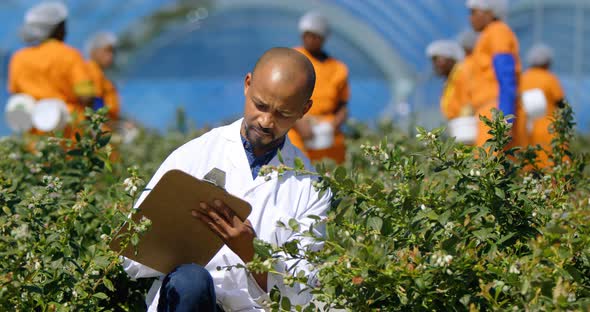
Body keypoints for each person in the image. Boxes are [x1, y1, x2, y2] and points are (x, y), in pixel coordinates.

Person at [123, 47, 331, 311]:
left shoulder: (310, 187)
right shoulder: (193, 156)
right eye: (260, 105)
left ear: (304, 110)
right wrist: (178, 241)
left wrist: (254, 255)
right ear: (247, 85)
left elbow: (305, 290)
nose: (266, 121)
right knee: (191, 281)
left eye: (283, 114)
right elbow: (129, 257)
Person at [8, 1, 95, 123]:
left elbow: (17, 97)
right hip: (69, 129)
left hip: (35, 131)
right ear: (57, 28)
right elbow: (86, 96)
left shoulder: (18, 58)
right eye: (63, 26)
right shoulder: (69, 55)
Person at [288, 11, 350, 164]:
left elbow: (342, 106)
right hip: (297, 131)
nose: (309, 39)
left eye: (314, 35)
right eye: (306, 35)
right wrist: (298, 121)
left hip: (327, 138)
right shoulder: (292, 58)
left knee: (329, 175)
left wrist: (333, 125)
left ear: (323, 38)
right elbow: (284, 96)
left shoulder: (338, 68)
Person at [466, 0, 526, 147]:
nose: (470, 18)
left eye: (474, 12)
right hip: (490, 109)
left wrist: (505, 116)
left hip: (494, 109)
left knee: (490, 164)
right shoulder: (488, 35)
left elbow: (506, 74)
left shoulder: (498, 32)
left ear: (490, 12)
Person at [521, 43, 566, 168]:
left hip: (527, 130)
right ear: (547, 62)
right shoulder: (550, 78)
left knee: (531, 166)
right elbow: (561, 103)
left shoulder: (523, 78)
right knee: (552, 165)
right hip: (549, 129)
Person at [425, 40, 468, 120]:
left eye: (437, 60)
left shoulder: (463, 74)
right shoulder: (449, 83)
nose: (435, 65)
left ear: (450, 58)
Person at [85, 31, 120, 121]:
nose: (111, 56)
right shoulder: (92, 71)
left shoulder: (101, 75)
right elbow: (96, 106)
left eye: (113, 52)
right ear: (94, 52)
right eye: (107, 51)